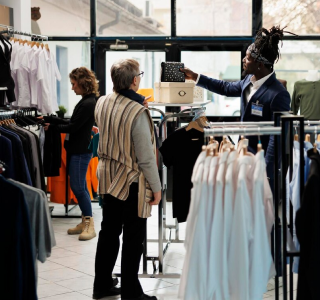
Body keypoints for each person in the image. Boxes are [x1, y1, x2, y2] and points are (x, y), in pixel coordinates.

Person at [181, 25, 291, 184]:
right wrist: (195, 77)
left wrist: (266, 171)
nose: (243, 60)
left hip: (261, 164)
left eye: (247, 58)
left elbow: (277, 137)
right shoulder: (248, 81)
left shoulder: (278, 94)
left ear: (259, 64)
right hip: (244, 157)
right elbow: (225, 87)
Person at [92, 59, 161, 300]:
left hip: (107, 177)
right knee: (133, 238)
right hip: (131, 181)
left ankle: (101, 285)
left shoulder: (102, 101)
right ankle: (131, 293)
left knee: (108, 233)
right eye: (139, 75)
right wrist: (157, 187)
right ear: (134, 81)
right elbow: (145, 157)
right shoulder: (138, 112)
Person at [41, 67, 98, 241]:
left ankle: (89, 224)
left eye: (74, 84)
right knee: (78, 187)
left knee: (79, 187)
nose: (72, 88)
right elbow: (73, 122)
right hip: (78, 149)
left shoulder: (88, 103)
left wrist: (53, 127)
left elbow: (73, 127)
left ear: (82, 83)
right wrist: (50, 119)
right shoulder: (86, 100)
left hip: (80, 151)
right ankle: (84, 221)